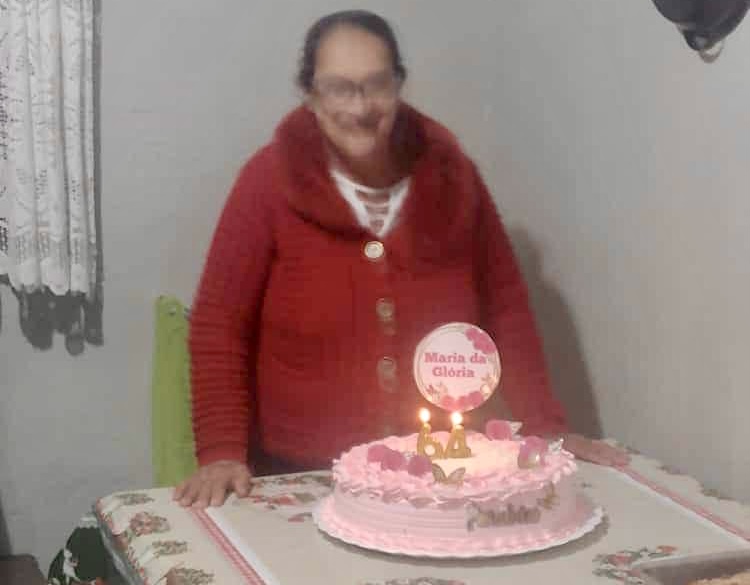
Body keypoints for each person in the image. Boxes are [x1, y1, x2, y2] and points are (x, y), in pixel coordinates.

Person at [174, 10, 628, 509]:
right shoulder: (267, 182)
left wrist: (545, 428)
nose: (360, 107)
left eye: (376, 85)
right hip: (299, 474)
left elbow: (506, 310)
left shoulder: (454, 178)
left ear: (399, 84)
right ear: (310, 93)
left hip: (442, 470)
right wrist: (220, 451)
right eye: (339, 88)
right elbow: (219, 325)